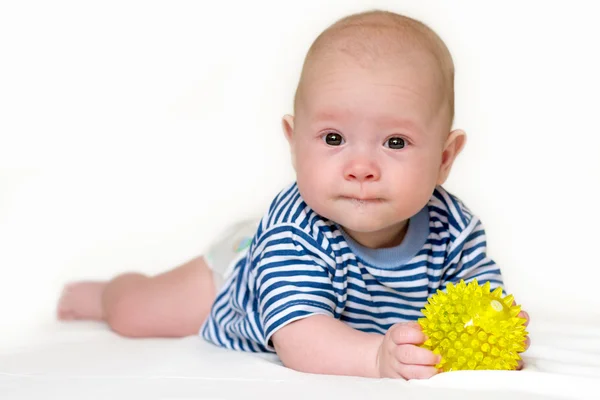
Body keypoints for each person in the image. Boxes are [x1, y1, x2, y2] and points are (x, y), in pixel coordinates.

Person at [57, 9, 530, 380]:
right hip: (237, 279)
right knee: (136, 314)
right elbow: (299, 338)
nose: (360, 168)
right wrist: (374, 359)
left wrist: (492, 335)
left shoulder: (455, 228)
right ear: (293, 140)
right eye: (332, 139)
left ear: (445, 158)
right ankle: (105, 295)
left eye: (394, 143)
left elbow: (480, 297)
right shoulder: (296, 231)